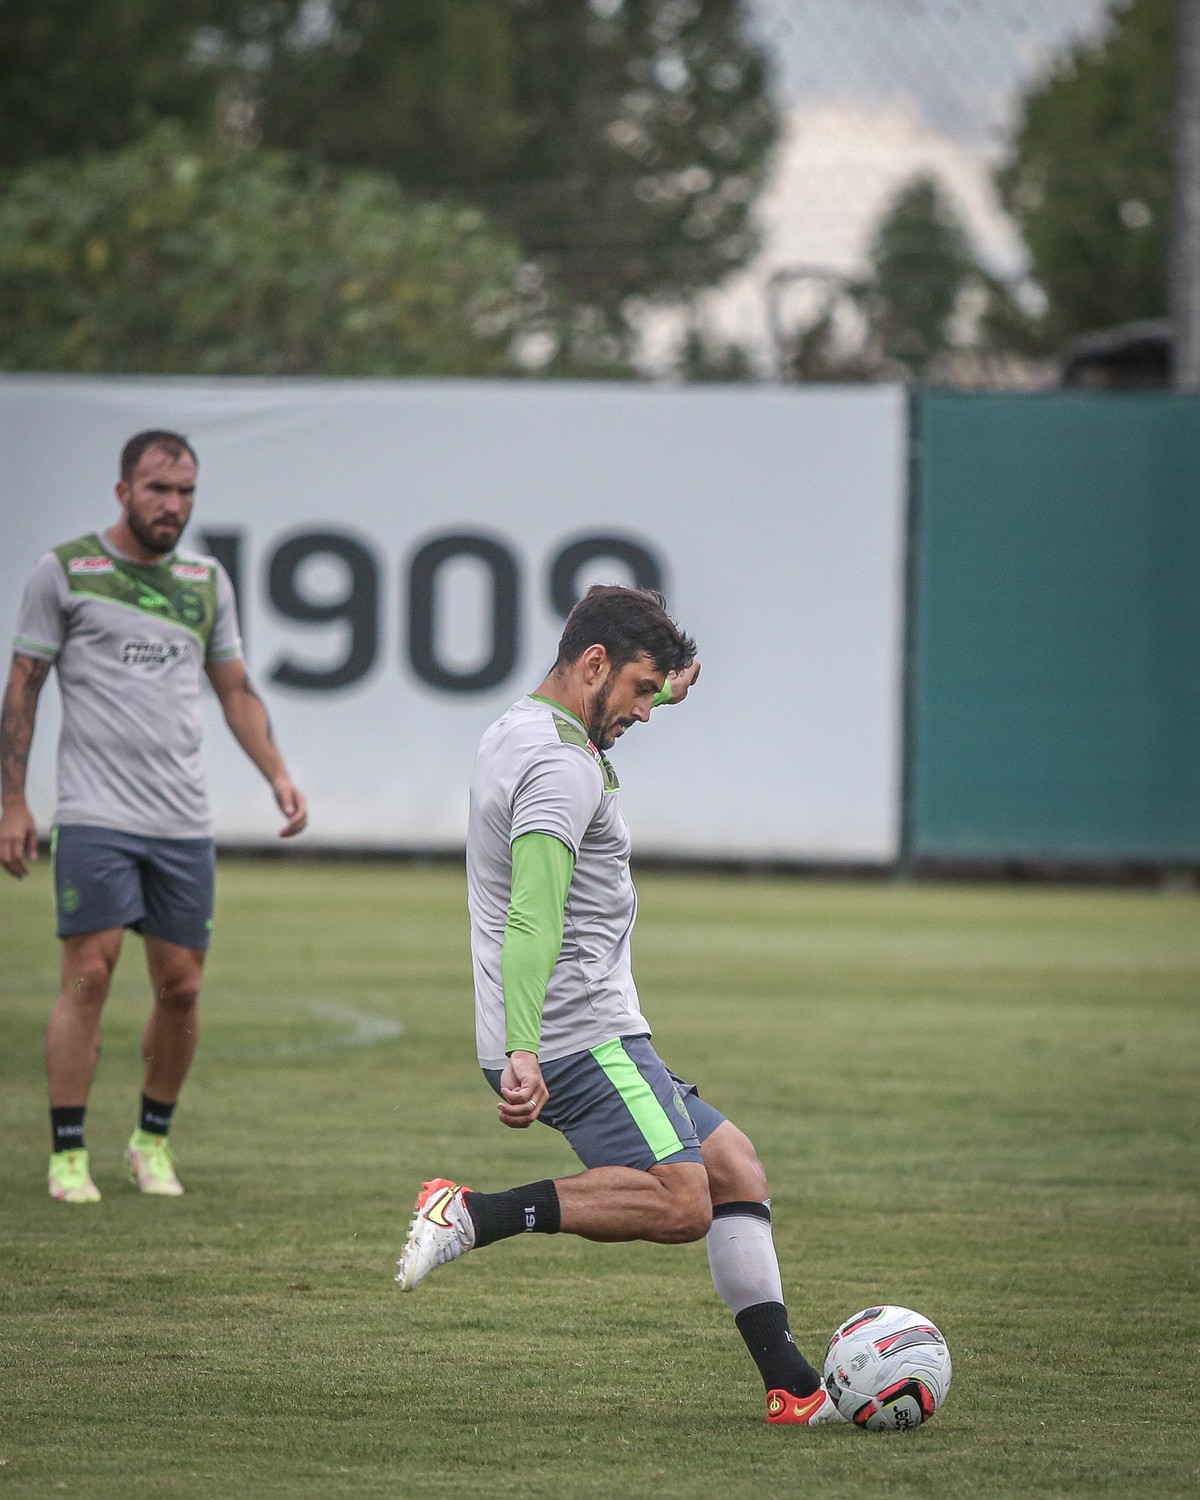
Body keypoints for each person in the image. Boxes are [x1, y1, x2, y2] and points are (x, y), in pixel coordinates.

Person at [395, 584, 843, 1427]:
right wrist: (524, 1048)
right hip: (576, 1032)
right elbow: (534, 911)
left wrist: (666, 678)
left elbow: (613, 689)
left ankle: (795, 1391)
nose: (646, 711)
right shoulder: (563, 767)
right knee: (682, 1200)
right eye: (641, 690)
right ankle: (472, 1214)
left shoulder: (520, 726)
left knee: (734, 1167)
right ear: (594, 663)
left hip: (570, 1025)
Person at [0, 429, 308, 1204]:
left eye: (185, 493)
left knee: (181, 990)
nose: (173, 506)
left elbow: (235, 690)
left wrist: (277, 774)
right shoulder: (65, 570)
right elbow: (24, 687)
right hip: (94, 814)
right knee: (88, 977)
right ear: (123, 492)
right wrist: (12, 798)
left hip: (181, 821)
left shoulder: (207, 580)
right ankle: (68, 1153)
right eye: (158, 490)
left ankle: (150, 1141)